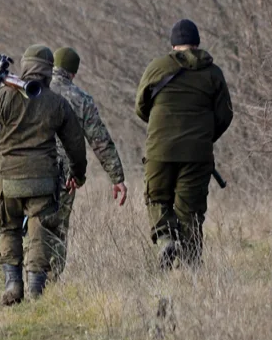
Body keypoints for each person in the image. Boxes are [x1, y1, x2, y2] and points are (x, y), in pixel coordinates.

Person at [0, 45, 88, 304]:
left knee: (9, 229)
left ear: (25, 66)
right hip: (43, 182)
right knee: (40, 231)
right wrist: (78, 175)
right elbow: (75, 144)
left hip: (9, 179)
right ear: (48, 70)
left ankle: (13, 285)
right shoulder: (57, 103)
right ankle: (36, 289)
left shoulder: (4, 96)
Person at [135, 19, 233, 268]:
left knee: (157, 198)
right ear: (197, 43)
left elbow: (141, 106)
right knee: (190, 210)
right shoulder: (213, 73)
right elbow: (225, 115)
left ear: (173, 44)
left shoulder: (157, 67)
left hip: (160, 149)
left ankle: (165, 239)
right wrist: (203, 136)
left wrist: (160, 128)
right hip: (197, 153)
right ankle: (192, 267)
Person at [48, 47, 127, 279]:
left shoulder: (33, 89)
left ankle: (23, 272)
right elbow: (100, 141)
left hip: (28, 168)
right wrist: (117, 178)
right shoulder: (81, 99)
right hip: (65, 176)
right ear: (73, 73)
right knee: (57, 228)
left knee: (29, 221)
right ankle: (49, 280)